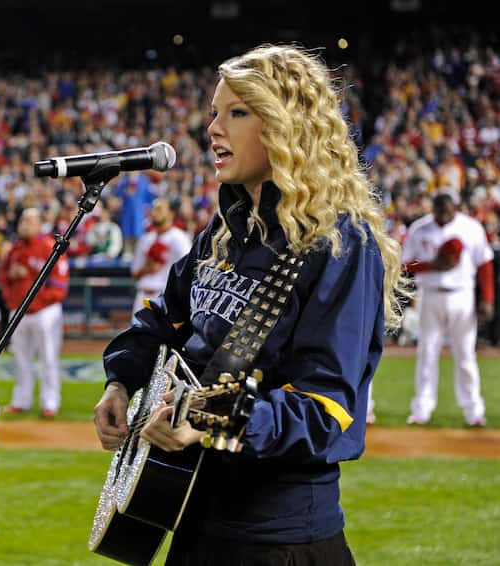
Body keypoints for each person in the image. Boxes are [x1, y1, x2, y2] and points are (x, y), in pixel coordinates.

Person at [93, 45, 407, 565]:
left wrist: (212, 419)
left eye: (237, 112)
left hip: (278, 537)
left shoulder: (340, 245)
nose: (213, 127)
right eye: (215, 111)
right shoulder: (225, 230)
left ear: (286, 127)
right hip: (195, 519)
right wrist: (120, 381)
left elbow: (326, 408)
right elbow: (162, 321)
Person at [402, 192, 494, 427]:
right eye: (438, 211)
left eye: (446, 210)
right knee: (427, 354)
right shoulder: (419, 228)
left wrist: (487, 299)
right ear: (432, 208)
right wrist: (430, 265)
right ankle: (421, 409)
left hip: (461, 295)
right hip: (430, 295)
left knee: (465, 356)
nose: (442, 215)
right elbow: (406, 264)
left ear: (456, 207)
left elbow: (484, 264)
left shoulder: (471, 228)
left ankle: (474, 411)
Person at [0, 208, 69, 418]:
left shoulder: (49, 247)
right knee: (21, 359)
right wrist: (11, 278)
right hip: (19, 312)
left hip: (44, 312)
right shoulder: (15, 249)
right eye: (22, 220)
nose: (24, 224)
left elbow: (60, 283)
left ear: (39, 224)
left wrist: (41, 299)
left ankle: (50, 402)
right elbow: (2, 277)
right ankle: (21, 400)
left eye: (29, 221)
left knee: (48, 358)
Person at [129, 196, 193, 315]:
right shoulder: (146, 239)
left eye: (159, 209)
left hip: (165, 296)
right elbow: (134, 271)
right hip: (142, 296)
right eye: (153, 209)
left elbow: (188, 269)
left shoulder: (179, 238)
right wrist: (147, 268)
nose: (154, 212)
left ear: (171, 213)